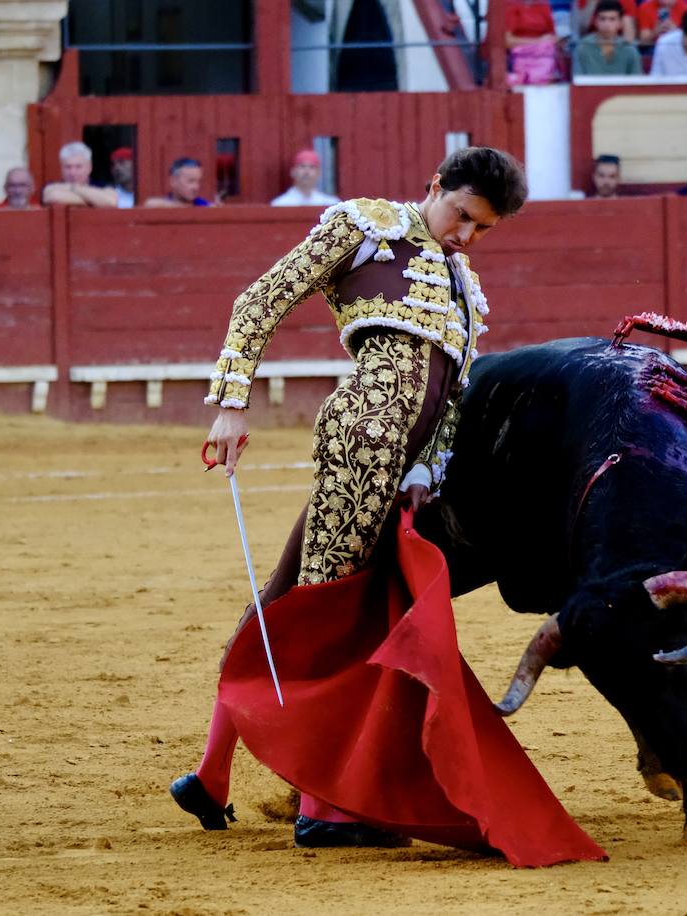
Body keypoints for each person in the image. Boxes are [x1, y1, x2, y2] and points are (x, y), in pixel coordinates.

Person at [170, 147, 528, 850]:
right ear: (435, 185)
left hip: (402, 470)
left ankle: (212, 775)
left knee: (288, 597)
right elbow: (262, 297)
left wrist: (425, 469)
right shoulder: (367, 226)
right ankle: (322, 808)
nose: (466, 237)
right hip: (363, 440)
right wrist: (231, 404)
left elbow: (450, 399)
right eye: (461, 216)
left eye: (482, 229)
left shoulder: (465, 290)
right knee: (333, 609)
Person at [573, 0, 643, 73]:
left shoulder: (630, 51)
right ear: (595, 22)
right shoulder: (582, 49)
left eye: (612, 19)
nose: (607, 24)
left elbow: (637, 82)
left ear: (620, 23)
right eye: (602, 19)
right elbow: (578, 81)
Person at [42, 141, 118, 208]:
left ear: (89, 168)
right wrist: (95, 201)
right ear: (61, 169)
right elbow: (54, 196)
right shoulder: (52, 186)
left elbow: (111, 202)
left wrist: (74, 188)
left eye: (78, 167)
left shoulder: (102, 185)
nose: (72, 172)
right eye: (68, 167)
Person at [505, 0, 563, 84]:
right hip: (519, 54)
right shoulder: (510, 4)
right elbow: (506, 42)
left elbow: (553, 37)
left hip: (544, 53)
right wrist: (538, 42)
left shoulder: (543, 4)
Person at [270, 149, 341, 207]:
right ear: (293, 172)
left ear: (319, 173)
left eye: (312, 167)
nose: (306, 172)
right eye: (302, 166)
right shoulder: (280, 204)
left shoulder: (331, 204)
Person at [143, 158, 213, 208]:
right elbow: (150, 204)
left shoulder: (202, 204)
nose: (196, 187)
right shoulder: (161, 204)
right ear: (173, 181)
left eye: (198, 181)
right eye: (191, 181)